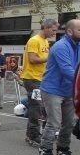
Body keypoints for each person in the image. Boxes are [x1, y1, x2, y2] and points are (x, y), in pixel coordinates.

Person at [38, 19, 80, 155]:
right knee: (54, 122)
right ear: (70, 31)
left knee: (70, 122)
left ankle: (63, 148)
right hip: (53, 89)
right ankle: (45, 149)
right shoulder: (60, 46)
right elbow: (68, 71)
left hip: (69, 91)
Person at [21, 19, 57, 147]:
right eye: (53, 30)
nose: (54, 33)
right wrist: (50, 57)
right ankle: (33, 135)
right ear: (46, 28)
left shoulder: (45, 41)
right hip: (32, 79)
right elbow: (32, 59)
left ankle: (32, 133)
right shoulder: (34, 40)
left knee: (39, 107)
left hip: (41, 79)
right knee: (36, 107)